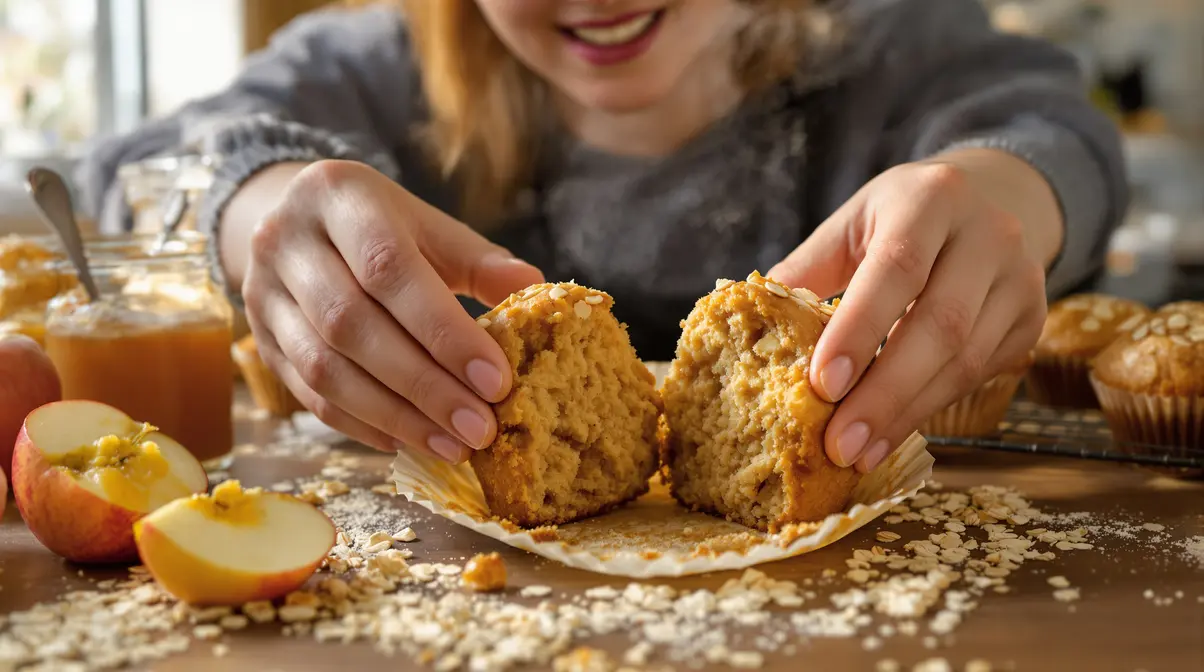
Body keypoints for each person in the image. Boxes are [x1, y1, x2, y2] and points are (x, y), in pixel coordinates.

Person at [76, 0, 1128, 475]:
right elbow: (129, 169)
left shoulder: (893, 41)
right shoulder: (370, 67)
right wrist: (259, 206)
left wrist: (1000, 196)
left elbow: (1055, 134)